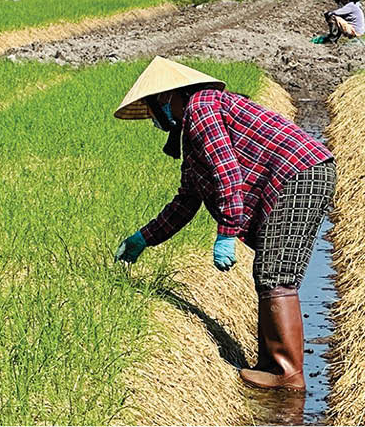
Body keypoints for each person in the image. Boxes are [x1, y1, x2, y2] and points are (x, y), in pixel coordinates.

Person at [113, 57, 335, 391]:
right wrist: (143, 238)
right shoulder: (195, 127)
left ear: (167, 97)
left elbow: (227, 173)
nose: (156, 118)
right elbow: (186, 201)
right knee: (271, 271)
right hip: (304, 173)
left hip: (300, 175)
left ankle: (286, 374)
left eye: (154, 107)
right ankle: (269, 364)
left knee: (275, 274)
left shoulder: (201, 108)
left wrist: (226, 233)